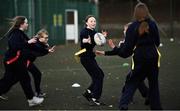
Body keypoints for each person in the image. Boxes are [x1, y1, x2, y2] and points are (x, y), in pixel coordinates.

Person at [96, 3, 162, 110]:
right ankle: (157, 108)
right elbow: (157, 43)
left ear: (135, 13)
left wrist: (116, 49)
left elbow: (126, 51)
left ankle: (123, 106)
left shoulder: (132, 27)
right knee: (154, 85)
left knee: (132, 82)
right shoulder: (153, 24)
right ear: (147, 12)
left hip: (140, 58)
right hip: (154, 57)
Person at [97, 22, 149, 105]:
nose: (124, 31)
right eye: (124, 30)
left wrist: (113, 47)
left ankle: (126, 100)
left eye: (125, 30)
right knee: (136, 79)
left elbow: (123, 54)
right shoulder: (128, 40)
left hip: (142, 62)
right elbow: (119, 52)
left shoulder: (132, 40)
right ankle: (147, 95)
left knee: (131, 79)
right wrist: (104, 53)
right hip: (145, 62)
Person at [0, 16, 44, 107]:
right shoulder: (16, 33)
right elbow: (15, 46)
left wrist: (46, 50)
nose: (27, 24)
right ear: (22, 24)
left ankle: (31, 99)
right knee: (24, 78)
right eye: (26, 23)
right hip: (13, 61)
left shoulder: (21, 33)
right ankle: (31, 99)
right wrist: (28, 42)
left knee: (9, 80)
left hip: (15, 61)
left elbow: (31, 45)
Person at [79, 15, 107, 106]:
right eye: (91, 21)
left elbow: (100, 43)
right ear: (86, 23)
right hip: (85, 57)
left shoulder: (95, 32)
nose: (93, 22)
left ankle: (88, 92)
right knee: (98, 76)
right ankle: (95, 98)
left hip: (90, 56)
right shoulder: (84, 31)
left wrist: (103, 38)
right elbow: (83, 40)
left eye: (94, 21)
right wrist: (86, 40)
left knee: (100, 75)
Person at [27, 29, 55, 97]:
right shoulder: (35, 43)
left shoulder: (39, 42)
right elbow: (38, 52)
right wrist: (47, 50)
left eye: (47, 37)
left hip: (26, 61)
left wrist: (47, 49)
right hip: (22, 61)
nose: (47, 39)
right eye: (45, 38)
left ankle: (37, 92)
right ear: (40, 37)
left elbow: (41, 51)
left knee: (37, 74)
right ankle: (36, 93)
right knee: (15, 78)